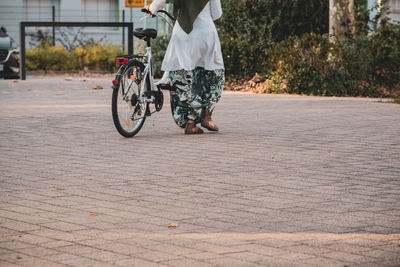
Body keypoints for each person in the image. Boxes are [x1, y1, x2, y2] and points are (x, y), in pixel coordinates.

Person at [148, 0, 225, 134]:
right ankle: (206, 116)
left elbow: (159, 2)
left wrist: (152, 8)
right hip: (205, 33)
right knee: (212, 73)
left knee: (184, 77)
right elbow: (217, 13)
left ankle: (190, 122)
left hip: (182, 33)